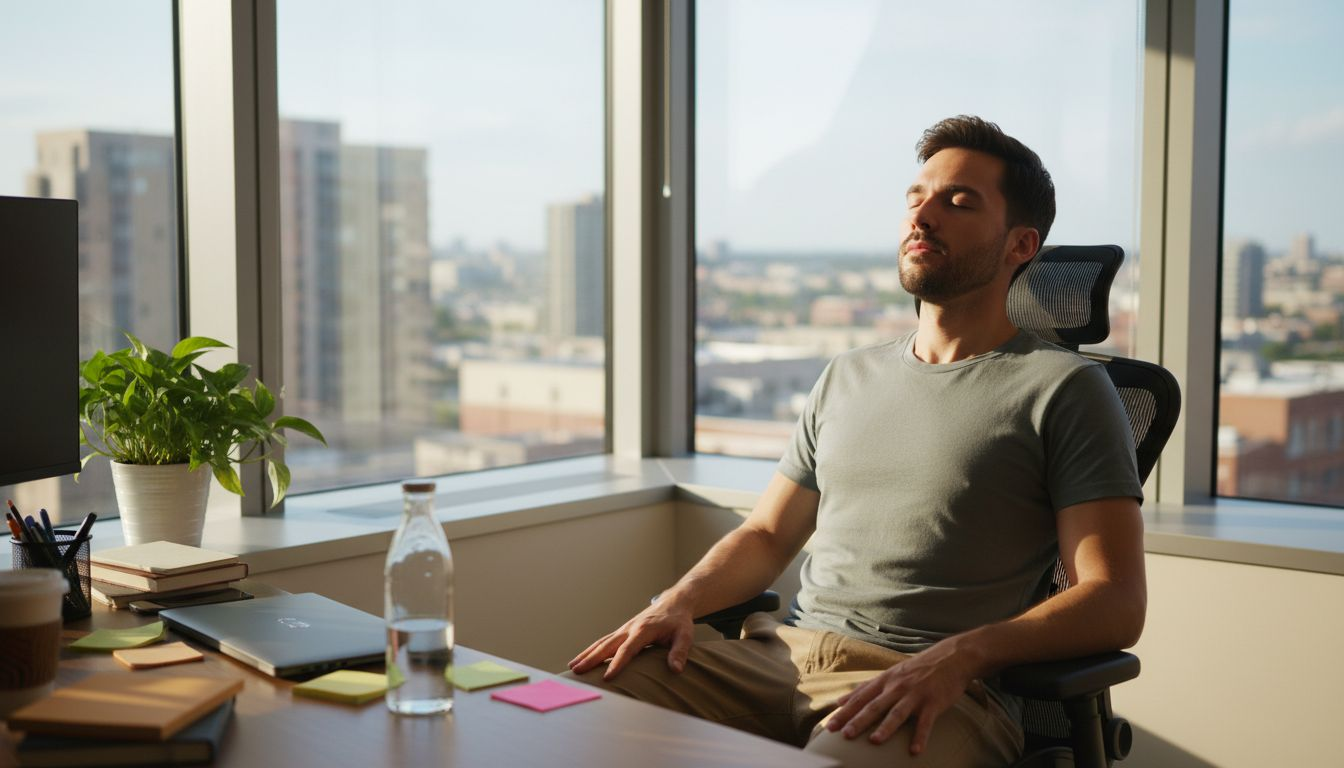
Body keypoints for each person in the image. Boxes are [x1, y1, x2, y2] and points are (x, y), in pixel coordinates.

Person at [567, 115, 1146, 767]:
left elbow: (1114, 600)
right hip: (778, 660)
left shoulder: (1065, 389)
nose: (923, 215)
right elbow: (765, 537)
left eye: (958, 202)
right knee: (573, 708)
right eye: (916, 197)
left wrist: (962, 655)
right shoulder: (847, 374)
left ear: (1019, 246)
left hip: (932, 687)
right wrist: (676, 604)